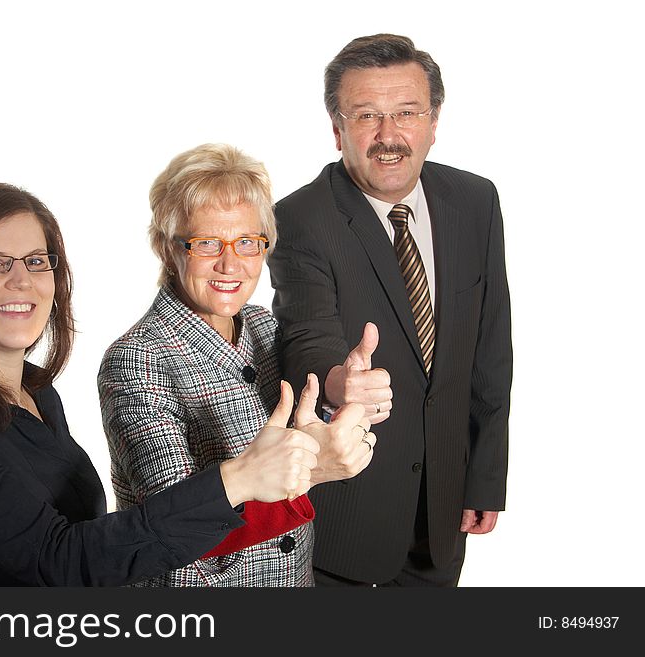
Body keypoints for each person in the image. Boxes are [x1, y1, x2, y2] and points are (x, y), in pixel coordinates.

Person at [0, 182, 328, 587]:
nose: (21, 280)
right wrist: (237, 479)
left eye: (37, 261)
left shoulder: (37, 395)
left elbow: (110, 544)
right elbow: (61, 562)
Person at [269, 34, 512, 587]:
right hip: (349, 516)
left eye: (406, 113)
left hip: (446, 509)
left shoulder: (476, 202)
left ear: (433, 120)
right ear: (337, 130)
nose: (388, 137)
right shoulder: (299, 220)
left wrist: (484, 475)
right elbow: (304, 334)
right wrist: (337, 383)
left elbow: (490, 351)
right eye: (366, 117)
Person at [98, 144, 379, 587]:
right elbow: (176, 529)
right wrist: (317, 468)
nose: (231, 263)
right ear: (165, 248)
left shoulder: (264, 328)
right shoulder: (137, 359)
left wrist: (343, 402)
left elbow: (299, 433)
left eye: (247, 242)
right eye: (207, 242)